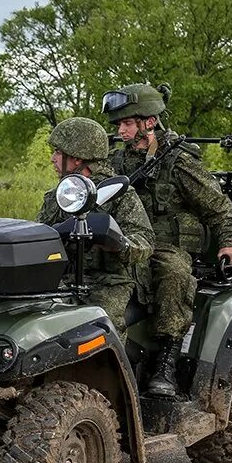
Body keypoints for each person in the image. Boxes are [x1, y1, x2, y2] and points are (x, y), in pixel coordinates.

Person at [104, 83, 232, 397]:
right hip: (128, 241)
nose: (121, 130)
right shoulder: (118, 163)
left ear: (149, 122)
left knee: (173, 274)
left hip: (166, 246)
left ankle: (167, 358)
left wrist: (230, 240)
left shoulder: (178, 161)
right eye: (119, 124)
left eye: (127, 123)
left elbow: (217, 205)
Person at [37, 117, 154, 338]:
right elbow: (39, 234)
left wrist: (119, 243)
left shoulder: (119, 193)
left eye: (58, 153)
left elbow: (145, 240)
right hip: (65, 278)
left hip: (110, 281)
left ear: (78, 158)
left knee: (100, 327)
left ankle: (108, 370)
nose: (53, 159)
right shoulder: (59, 195)